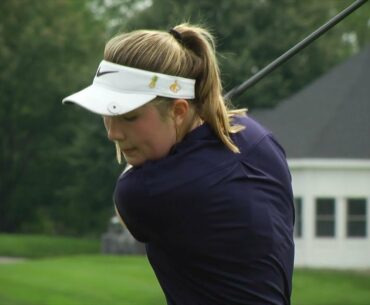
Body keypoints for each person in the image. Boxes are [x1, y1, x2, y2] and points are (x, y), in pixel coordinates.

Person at [63, 23, 295, 305]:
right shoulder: (258, 139)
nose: (113, 133)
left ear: (179, 110)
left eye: (129, 117)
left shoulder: (143, 192)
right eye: (107, 113)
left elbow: (129, 202)